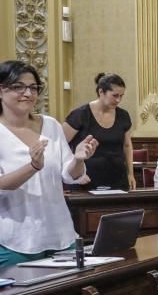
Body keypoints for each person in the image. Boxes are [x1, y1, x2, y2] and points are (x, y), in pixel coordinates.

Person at [0, 60, 96, 266]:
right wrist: (32, 167)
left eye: (33, 87)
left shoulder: (51, 125)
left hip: (59, 234)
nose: (28, 93)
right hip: (15, 239)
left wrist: (78, 159)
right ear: (0, 91)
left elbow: (70, 174)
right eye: (18, 87)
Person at [63, 72, 134, 191]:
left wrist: (130, 174)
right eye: (115, 95)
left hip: (117, 178)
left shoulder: (123, 115)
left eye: (121, 96)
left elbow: (127, 145)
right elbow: (61, 145)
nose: (118, 100)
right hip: (85, 179)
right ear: (101, 92)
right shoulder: (80, 115)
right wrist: (75, 172)